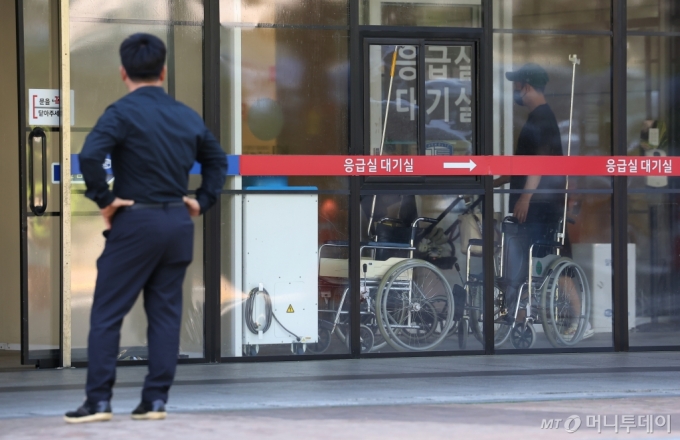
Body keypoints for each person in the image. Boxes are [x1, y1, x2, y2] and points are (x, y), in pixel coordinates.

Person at [64, 33, 226, 423]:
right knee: (166, 314)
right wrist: (201, 201)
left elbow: (90, 156)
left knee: (106, 313)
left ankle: (98, 402)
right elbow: (217, 161)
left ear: (124, 72)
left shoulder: (120, 113)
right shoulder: (186, 115)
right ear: (163, 71)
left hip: (135, 221)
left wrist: (105, 200)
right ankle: (154, 401)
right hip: (176, 222)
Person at [494, 63, 590, 339]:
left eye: (517, 85)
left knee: (555, 261)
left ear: (526, 86)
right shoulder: (537, 118)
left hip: (541, 206)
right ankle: (518, 315)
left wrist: (525, 197)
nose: (515, 91)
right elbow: (523, 168)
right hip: (537, 204)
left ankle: (577, 320)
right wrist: (496, 182)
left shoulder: (543, 119)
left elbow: (539, 163)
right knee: (523, 260)